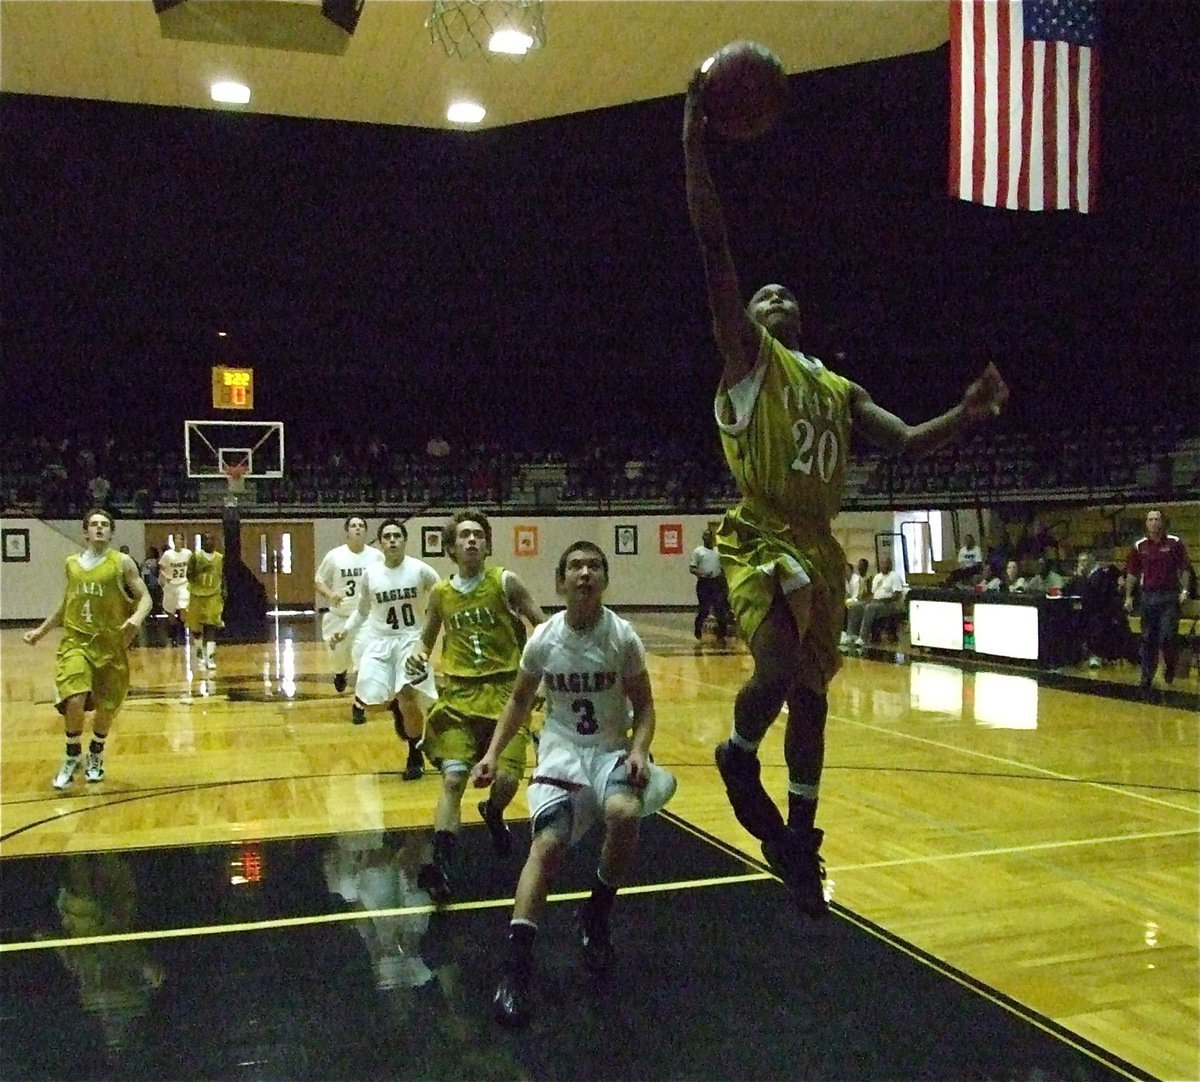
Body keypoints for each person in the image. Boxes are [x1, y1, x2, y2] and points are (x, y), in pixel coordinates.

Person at [683, 71, 1009, 917]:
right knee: (776, 667)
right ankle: (737, 749)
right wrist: (693, 143)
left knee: (814, 698)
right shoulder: (747, 359)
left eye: (784, 294)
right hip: (762, 532)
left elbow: (904, 442)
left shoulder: (836, 386)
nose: (773, 297)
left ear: (802, 316)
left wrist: (967, 415)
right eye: (763, 295)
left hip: (819, 544)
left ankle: (801, 838)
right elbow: (715, 249)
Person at [470, 541, 676, 1027]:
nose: (585, 573)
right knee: (549, 845)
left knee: (625, 813)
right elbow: (519, 701)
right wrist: (492, 753)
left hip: (608, 749)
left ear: (605, 579)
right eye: (576, 566)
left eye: (594, 566)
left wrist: (639, 750)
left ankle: (597, 911)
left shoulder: (622, 636)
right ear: (560, 582)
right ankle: (516, 966)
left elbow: (645, 707)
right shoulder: (544, 639)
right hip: (561, 751)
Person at [405, 510, 545, 902]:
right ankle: (440, 866)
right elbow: (425, 639)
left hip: (506, 695)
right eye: (464, 535)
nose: (471, 540)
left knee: (507, 781)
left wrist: (544, 678)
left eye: (478, 535)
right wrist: (417, 656)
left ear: (486, 545)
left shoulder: (505, 582)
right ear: (451, 548)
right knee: (453, 779)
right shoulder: (441, 593)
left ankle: (494, 811)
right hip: (460, 698)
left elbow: (544, 626)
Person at [23, 508, 152, 788]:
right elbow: (66, 606)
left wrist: (135, 619)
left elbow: (146, 598)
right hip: (76, 642)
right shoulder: (71, 564)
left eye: (105, 524)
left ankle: (96, 752)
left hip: (110, 645)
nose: (99, 528)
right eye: (94, 524)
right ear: (85, 532)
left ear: (111, 532)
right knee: (74, 697)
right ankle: (72, 755)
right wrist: (41, 631)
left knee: (106, 708)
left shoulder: (122, 563)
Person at [330, 519, 440, 782]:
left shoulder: (421, 570)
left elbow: (443, 596)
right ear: (380, 543)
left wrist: (437, 628)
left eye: (396, 536)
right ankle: (396, 707)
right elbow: (362, 611)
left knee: (407, 696)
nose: (392, 540)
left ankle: (415, 754)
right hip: (379, 641)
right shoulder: (371, 574)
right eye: (387, 537)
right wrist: (345, 631)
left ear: (404, 540)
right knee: (371, 702)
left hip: (411, 640)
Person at [314, 515, 384, 694]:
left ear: (366, 531)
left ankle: (362, 697)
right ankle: (340, 673)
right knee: (338, 657)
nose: (357, 528)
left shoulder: (376, 556)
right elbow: (319, 581)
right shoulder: (335, 556)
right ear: (347, 532)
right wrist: (330, 594)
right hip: (339, 616)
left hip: (365, 617)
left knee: (363, 656)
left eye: (361, 525)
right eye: (353, 525)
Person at [1125, 509, 1190, 689]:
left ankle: (1170, 665)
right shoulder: (1139, 546)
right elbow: (1132, 573)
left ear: (1162, 522)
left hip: (1169, 597)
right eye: (1150, 519)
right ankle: (1146, 677)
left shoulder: (1174, 543)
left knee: (1167, 636)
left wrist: (1185, 590)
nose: (1153, 522)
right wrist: (1128, 596)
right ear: (1146, 523)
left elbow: (1184, 568)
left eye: (1156, 519)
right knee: (1148, 638)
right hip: (1147, 597)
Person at [843, 555, 907, 648]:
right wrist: (867, 600)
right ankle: (851, 635)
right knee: (855, 606)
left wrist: (881, 600)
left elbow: (897, 595)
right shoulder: (877, 577)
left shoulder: (894, 576)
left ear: (890, 564)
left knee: (870, 608)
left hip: (889, 604)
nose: (883, 565)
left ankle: (863, 638)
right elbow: (872, 594)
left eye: (885, 563)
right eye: (881, 563)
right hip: (875, 602)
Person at [185, 532, 225, 671]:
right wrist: (199, 573)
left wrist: (224, 591)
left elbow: (223, 575)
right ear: (202, 543)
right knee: (196, 628)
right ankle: (199, 650)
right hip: (197, 594)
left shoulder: (220, 558)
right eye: (206, 540)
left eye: (211, 539)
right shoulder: (196, 557)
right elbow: (189, 574)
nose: (209, 542)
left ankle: (210, 657)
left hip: (213, 594)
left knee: (211, 625)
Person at [688, 528, 731, 644]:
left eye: (709, 536)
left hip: (717, 582)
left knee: (720, 608)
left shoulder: (718, 551)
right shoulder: (698, 551)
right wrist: (703, 573)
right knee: (704, 608)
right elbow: (692, 568)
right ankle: (698, 628)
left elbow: (723, 566)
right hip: (704, 582)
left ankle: (722, 633)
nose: (707, 538)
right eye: (705, 536)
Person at [158, 532, 191, 646]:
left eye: (180, 539)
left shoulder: (187, 553)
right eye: (176, 539)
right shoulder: (168, 554)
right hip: (171, 585)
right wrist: (165, 576)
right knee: (170, 611)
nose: (178, 541)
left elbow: (192, 566)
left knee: (183, 608)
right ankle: (173, 633)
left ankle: (182, 632)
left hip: (183, 584)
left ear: (183, 541)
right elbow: (161, 568)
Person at [141, 545, 163, 615]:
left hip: (152, 580)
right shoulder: (145, 560)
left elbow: (155, 571)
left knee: (153, 596)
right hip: (146, 579)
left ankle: (155, 610)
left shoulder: (155, 561)